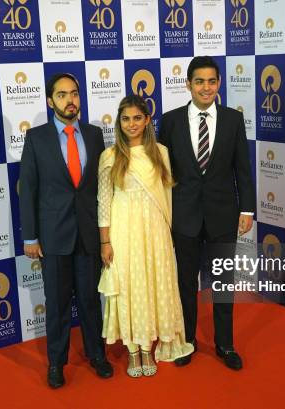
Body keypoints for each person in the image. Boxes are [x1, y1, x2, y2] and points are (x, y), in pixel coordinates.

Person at [158, 56, 256, 370]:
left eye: (212, 81)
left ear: (219, 84)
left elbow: (243, 168)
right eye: (199, 81)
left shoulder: (233, 120)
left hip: (223, 215)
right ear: (188, 84)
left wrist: (247, 209)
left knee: (224, 282)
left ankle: (225, 344)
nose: (206, 87)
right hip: (183, 216)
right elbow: (162, 172)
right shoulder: (170, 121)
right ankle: (187, 341)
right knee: (186, 282)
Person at [19, 73, 113, 388]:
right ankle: (56, 363)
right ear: (50, 101)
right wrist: (30, 237)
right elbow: (28, 190)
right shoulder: (36, 138)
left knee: (89, 300)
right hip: (53, 236)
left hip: (88, 234)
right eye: (61, 95)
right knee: (57, 304)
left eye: (74, 93)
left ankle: (96, 355)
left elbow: (102, 189)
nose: (69, 100)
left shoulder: (95, 134)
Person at [97, 95, 194, 378]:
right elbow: (103, 202)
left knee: (154, 285)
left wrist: (169, 233)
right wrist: (105, 241)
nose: (132, 124)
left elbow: (167, 197)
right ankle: (133, 350)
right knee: (129, 287)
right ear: (119, 122)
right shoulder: (110, 156)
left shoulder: (160, 153)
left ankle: (150, 347)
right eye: (126, 119)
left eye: (137, 118)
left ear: (148, 120)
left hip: (155, 232)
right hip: (124, 232)